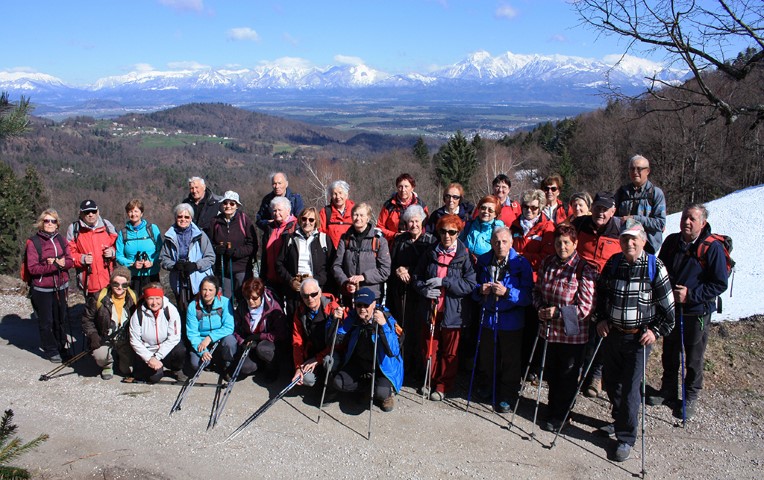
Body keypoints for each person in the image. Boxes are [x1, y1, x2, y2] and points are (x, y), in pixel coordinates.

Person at [595, 220, 675, 462]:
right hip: (613, 334)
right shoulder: (614, 263)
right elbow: (601, 295)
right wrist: (601, 319)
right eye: (624, 239)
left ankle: (626, 438)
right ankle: (620, 420)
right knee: (611, 383)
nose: (629, 243)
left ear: (643, 240)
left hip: (638, 339)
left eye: (633, 239)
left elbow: (668, 309)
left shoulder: (654, 266)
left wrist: (656, 331)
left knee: (631, 388)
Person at [650, 204, 729, 419]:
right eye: (685, 217)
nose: (686, 221)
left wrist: (691, 295)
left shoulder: (711, 247)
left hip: (697, 311)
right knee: (669, 351)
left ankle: (690, 396)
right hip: (672, 308)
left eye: (692, 219)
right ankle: (668, 390)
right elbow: (661, 270)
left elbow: (720, 283)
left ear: (702, 223)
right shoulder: (672, 241)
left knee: (693, 357)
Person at [533, 224, 597, 431]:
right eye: (558, 243)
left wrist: (558, 312)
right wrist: (540, 308)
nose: (562, 247)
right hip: (549, 331)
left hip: (572, 335)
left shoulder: (583, 269)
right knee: (551, 373)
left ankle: (562, 414)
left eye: (566, 243)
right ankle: (552, 408)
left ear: (575, 244)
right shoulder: (547, 263)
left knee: (567, 376)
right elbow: (537, 291)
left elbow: (586, 307)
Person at [412, 214, 477, 401]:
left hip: (453, 311)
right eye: (443, 231)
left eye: (452, 232)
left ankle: (442, 385)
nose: (447, 235)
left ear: (458, 233)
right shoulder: (430, 252)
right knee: (429, 349)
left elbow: (470, 284)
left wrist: (445, 282)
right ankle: (429, 381)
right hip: (431, 309)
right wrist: (424, 290)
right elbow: (417, 277)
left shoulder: (464, 255)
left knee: (450, 351)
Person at [472, 226, 533, 412]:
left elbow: (528, 296)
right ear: (491, 242)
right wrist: (479, 290)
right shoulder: (483, 261)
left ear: (511, 242)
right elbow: (472, 286)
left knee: (510, 360)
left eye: (504, 241)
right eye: (497, 241)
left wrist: (507, 292)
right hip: (488, 317)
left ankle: (508, 394)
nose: (500, 245)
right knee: (487, 356)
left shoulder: (521, 263)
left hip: (511, 320)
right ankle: (488, 386)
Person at [572, 192, 624, 398]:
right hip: (579, 286)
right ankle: (575, 369)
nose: (600, 213)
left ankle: (595, 374)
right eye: (597, 208)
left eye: (605, 209)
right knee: (576, 330)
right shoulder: (580, 224)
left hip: (606, 289)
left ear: (613, 211)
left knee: (600, 332)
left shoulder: (620, 230)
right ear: (591, 208)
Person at [331, 288, 403, 412]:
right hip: (360, 362)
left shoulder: (386, 317)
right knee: (338, 382)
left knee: (381, 392)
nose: (362, 308)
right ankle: (367, 388)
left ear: (374, 304)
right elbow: (335, 340)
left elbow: (393, 351)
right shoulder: (353, 317)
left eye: (366, 305)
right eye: (359, 305)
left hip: (382, 366)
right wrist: (334, 320)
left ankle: (387, 393)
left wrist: (383, 325)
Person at [389, 204, 437, 377]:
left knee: (420, 330)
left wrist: (409, 269)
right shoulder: (400, 241)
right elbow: (391, 263)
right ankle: (404, 366)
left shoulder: (430, 241)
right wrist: (398, 270)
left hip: (422, 293)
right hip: (402, 293)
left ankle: (421, 370)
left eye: (416, 221)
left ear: (422, 221)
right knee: (403, 329)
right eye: (410, 221)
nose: (414, 225)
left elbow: (431, 267)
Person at [26, 208, 74, 362]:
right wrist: (54, 266)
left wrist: (61, 263)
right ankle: (51, 349)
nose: (50, 223)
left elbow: (70, 261)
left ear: (57, 224)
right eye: (46, 220)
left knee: (60, 319)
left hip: (61, 286)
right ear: (41, 223)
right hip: (42, 288)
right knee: (46, 321)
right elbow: (32, 268)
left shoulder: (61, 240)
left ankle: (62, 346)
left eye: (53, 221)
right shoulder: (34, 242)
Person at [276, 207, 335, 316]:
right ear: (300, 220)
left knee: (316, 320)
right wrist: (290, 281)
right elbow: (279, 264)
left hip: (317, 289)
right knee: (295, 319)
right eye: (304, 219)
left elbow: (331, 266)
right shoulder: (290, 239)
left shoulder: (324, 239)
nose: (307, 222)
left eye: (311, 220)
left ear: (316, 221)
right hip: (295, 290)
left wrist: (316, 280)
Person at [159, 203, 215, 317]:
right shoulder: (169, 236)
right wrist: (174, 265)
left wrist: (196, 265)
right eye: (180, 216)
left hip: (199, 280)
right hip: (179, 280)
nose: (183, 219)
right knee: (182, 312)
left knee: (200, 312)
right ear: (175, 218)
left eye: (186, 217)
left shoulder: (200, 235)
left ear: (191, 218)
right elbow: (163, 258)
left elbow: (210, 257)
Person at [81, 267, 137, 380]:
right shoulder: (98, 298)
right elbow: (87, 319)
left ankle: (122, 358)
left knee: (126, 370)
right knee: (100, 355)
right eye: (116, 284)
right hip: (104, 337)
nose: (120, 287)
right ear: (110, 283)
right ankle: (107, 364)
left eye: (124, 285)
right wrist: (93, 335)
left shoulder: (133, 297)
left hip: (125, 338)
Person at [291, 279, 345, 389]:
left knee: (329, 362)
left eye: (313, 294)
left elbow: (339, 343)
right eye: (305, 296)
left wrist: (318, 359)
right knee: (306, 379)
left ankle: (332, 387)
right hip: (313, 350)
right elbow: (297, 340)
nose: (310, 299)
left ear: (320, 292)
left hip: (331, 352)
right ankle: (321, 379)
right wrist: (298, 367)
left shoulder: (333, 309)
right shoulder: (300, 311)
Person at [129, 282, 187, 384]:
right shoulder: (138, 314)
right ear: (145, 298)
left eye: (157, 298)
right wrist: (149, 358)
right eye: (150, 298)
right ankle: (156, 369)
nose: (154, 302)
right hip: (149, 350)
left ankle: (176, 369)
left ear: (162, 297)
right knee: (154, 378)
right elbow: (134, 340)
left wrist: (157, 357)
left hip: (165, 348)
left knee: (180, 350)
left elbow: (174, 337)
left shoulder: (171, 310)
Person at [333, 202, 391, 303]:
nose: (358, 218)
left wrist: (363, 277)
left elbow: (385, 270)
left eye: (361, 215)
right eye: (355, 215)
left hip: (371, 296)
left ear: (368, 218)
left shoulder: (379, 240)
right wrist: (346, 282)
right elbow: (336, 266)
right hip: (349, 295)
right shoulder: (345, 239)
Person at [233, 278, 289, 381]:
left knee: (263, 349)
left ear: (261, 295)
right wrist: (242, 341)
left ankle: (273, 367)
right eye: (247, 297)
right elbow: (236, 328)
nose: (250, 301)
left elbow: (281, 334)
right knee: (245, 367)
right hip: (251, 342)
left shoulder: (273, 307)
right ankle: (261, 364)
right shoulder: (242, 306)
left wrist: (259, 336)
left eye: (254, 298)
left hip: (270, 342)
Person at [210, 191, 258, 300]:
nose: (228, 206)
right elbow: (209, 243)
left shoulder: (244, 220)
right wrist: (216, 249)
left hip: (242, 268)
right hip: (223, 269)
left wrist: (236, 252)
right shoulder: (215, 222)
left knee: (244, 299)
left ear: (237, 206)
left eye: (232, 203)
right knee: (225, 301)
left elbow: (252, 245)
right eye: (225, 203)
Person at [614, 155, 667, 254]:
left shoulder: (655, 193)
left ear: (648, 171)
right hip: (623, 245)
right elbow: (613, 217)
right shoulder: (621, 192)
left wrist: (634, 219)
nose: (635, 172)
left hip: (647, 247)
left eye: (639, 169)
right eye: (632, 169)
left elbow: (660, 224)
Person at [186, 275, 237, 377]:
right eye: (204, 289)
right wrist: (203, 352)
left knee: (230, 341)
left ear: (216, 291)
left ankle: (227, 364)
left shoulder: (224, 302)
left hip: (220, 338)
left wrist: (210, 337)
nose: (207, 293)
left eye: (210, 290)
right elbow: (192, 333)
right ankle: (210, 362)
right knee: (196, 364)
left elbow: (229, 327)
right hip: (201, 340)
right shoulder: (193, 306)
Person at [67, 199, 118, 297]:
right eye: (87, 212)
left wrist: (112, 252)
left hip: (109, 280)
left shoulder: (107, 225)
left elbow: (119, 246)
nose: (91, 214)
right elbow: (69, 254)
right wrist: (82, 259)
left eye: (93, 211)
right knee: (92, 306)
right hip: (89, 282)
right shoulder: (74, 229)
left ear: (98, 212)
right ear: (81, 214)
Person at [115, 199, 163, 294]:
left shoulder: (152, 229)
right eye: (130, 211)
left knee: (153, 299)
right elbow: (119, 256)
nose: (133, 214)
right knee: (134, 301)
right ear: (127, 213)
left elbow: (161, 250)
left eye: (136, 211)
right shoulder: (123, 233)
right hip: (132, 277)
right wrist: (132, 264)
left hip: (152, 275)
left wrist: (152, 262)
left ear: (141, 213)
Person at [510, 189, 555, 278]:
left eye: (533, 207)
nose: (529, 210)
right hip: (515, 275)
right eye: (526, 206)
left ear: (540, 208)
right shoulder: (515, 226)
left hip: (535, 277)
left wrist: (521, 257)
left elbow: (547, 257)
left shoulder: (547, 227)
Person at [377, 173, 429, 243]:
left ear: (412, 188)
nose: (403, 190)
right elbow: (380, 227)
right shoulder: (389, 206)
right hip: (394, 244)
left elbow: (427, 226)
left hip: (417, 243)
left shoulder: (420, 205)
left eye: (406, 186)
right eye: (400, 186)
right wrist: (395, 235)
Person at [260, 196, 298, 291]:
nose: (277, 213)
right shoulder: (269, 228)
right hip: (271, 280)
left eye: (280, 210)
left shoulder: (296, 227)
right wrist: (262, 277)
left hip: (290, 280)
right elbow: (265, 254)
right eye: (274, 210)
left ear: (288, 210)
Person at [319, 180, 354, 249]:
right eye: (334, 194)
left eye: (340, 193)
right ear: (331, 196)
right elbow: (320, 233)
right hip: (332, 252)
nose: (338, 197)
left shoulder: (355, 211)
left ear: (346, 195)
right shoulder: (325, 212)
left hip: (351, 252)